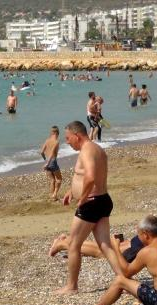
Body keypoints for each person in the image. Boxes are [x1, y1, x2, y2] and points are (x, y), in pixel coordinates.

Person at [74, 215, 157, 305]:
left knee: (120, 281)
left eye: (139, 234)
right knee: (149, 285)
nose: (138, 238)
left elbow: (125, 273)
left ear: (145, 234)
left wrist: (116, 248)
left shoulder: (148, 251)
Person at [56, 121, 122, 295]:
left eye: (68, 138)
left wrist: (82, 198)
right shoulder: (96, 149)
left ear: (77, 136)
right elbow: (88, 175)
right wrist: (72, 191)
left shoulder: (86, 151)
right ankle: (122, 278)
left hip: (91, 203)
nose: (67, 142)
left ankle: (71, 286)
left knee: (73, 244)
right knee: (105, 245)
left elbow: (91, 177)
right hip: (103, 200)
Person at [40, 126, 63, 201]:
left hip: (47, 161)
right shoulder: (56, 142)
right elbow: (52, 153)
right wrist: (48, 163)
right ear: (57, 133)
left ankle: (52, 196)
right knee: (59, 179)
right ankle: (55, 194)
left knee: (52, 180)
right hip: (52, 161)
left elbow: (42, 152)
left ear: (51, 132)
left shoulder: (47, 140)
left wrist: (45, 160)